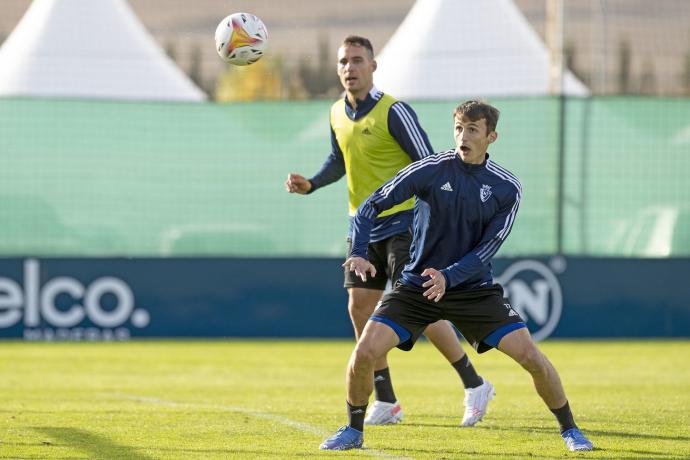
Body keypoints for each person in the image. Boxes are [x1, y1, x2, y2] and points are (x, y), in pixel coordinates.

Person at [320, 100, 594, 452]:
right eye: (458, 128)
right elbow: (369, 207)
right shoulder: (429, 170)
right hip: (417, 287)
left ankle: (570, 430)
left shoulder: (506, 187)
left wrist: (449, 276)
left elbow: (487, 249)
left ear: (491, 136)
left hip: (473, 291)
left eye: (472, 130)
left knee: (531, 358)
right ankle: (353, 431)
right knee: (364, 353)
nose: (462, 136)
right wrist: (357, 251)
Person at [286, 36, 493, 427]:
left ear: (373, 66)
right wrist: (311, 184)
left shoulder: (394, 112)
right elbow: (338, 159)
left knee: (418, 307)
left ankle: (474, 383)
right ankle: (387, 401)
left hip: (404, 224)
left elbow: (430, 163)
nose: (350, 68)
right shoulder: (335, 113)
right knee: (360, 308)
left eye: (358, 61)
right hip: (362, 226)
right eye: (344, 62)